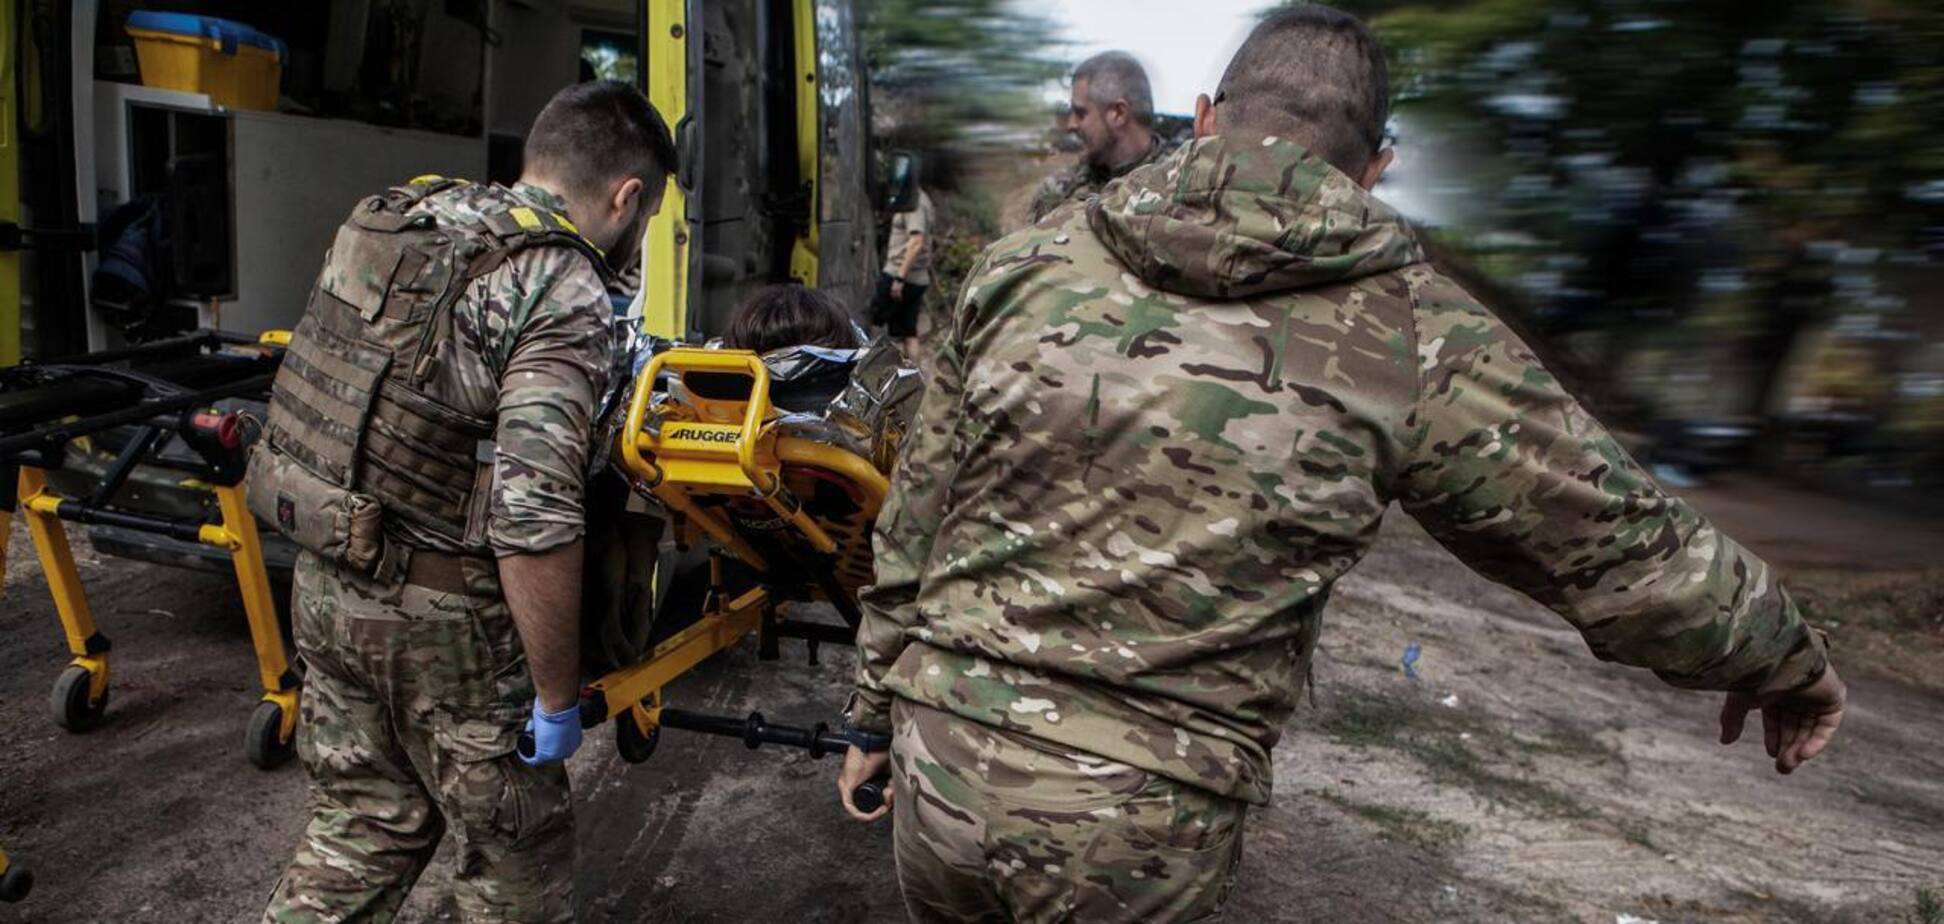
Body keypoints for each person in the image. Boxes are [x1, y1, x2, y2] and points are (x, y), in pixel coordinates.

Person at [835, 8, 1846, 923]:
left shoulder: (1024, 266)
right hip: (1141, 821)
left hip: (945, 772)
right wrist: (1781, 657)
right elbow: (1618, 545)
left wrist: (874, 711)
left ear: (1201, 113)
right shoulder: (1414, 332)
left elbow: (919, 510)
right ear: (1377, 167)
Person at [256, 80, 677, 923]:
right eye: (650, 214)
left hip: (326, 577)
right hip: (444, 625)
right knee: (515, 853)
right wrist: (556, 700)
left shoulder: (405, 219)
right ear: (628, 196)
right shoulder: (558, 281)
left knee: (364, 823)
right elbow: (534, 517)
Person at [1025, 51, 1172, 225]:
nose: (1071, 124)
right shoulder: (1057, 193)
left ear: (1118, 113)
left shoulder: (1180, 185)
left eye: (1080, 113)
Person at [872, 186, 936, 359]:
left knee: (872, 322)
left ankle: (866, 375)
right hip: (917, 278)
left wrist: (900, 278)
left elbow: (917, 241)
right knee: (909, 332)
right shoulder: (922, 198)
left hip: (900, 276)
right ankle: (914, 378)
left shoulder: (914, 202)